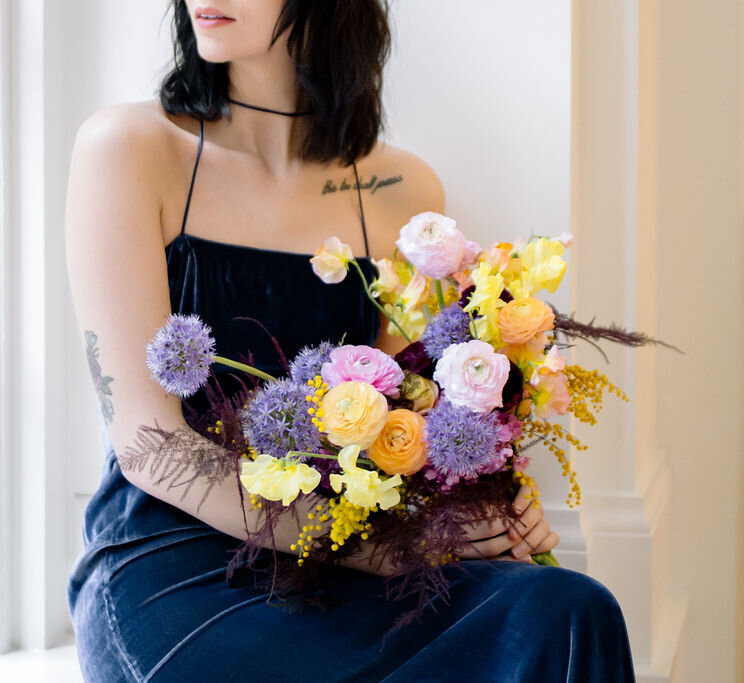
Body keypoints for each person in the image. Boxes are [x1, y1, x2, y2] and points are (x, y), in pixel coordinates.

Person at [65, 1, 635, 680]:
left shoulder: (401, 191)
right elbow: (143, 440)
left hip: (350, 560)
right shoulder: (128, 149)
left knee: (566, 608)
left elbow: (410, 429)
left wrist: (488, 515)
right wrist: (369, 547)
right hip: (176, 565)